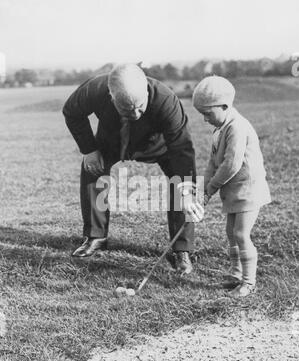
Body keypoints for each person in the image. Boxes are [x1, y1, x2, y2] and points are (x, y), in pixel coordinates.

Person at [63, 63, 202, 274]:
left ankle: (182, 248)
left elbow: (182, 148)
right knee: (92, 169)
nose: (135, 113)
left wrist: (187, 190)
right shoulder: (95, 89)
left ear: (146, 89)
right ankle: (96, 235)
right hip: (112, 142)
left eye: (140, 106)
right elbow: (71, 111)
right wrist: (89, 149)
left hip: (157, 146)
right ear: (111, 96)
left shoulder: (166, 100)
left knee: (180, 184)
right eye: (127, 109)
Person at [191, 75, 271, 297]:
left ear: (225, 106)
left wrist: (213, 186)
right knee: (231, 233)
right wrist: (204, 190)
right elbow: (212, 163)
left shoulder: (237, 127)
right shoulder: (219, 129)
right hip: (234, 190)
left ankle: (249, 282)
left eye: (208, 113)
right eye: (202, 114)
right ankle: (236, 275)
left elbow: (231, 165)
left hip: (248, 189)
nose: (205, 119)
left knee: (241, 233)